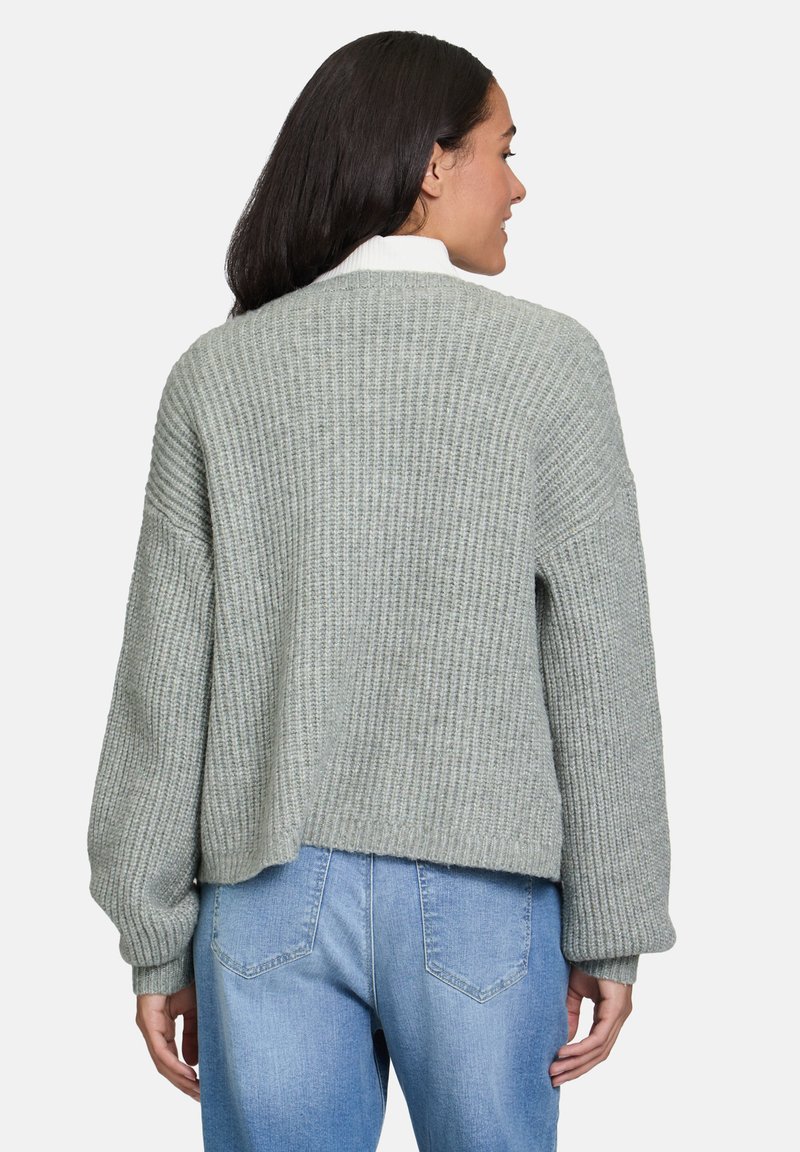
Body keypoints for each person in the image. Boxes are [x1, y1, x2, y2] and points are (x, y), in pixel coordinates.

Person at [87, 29, 677, 1152]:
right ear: (431, 162)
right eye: (503, 150)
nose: (517, 185)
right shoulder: (550, 364)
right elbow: (601, 664)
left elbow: (162, 687)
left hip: (264, 896)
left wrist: (153, 939)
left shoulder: (219, 375)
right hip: (484, 898)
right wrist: (613, 920)